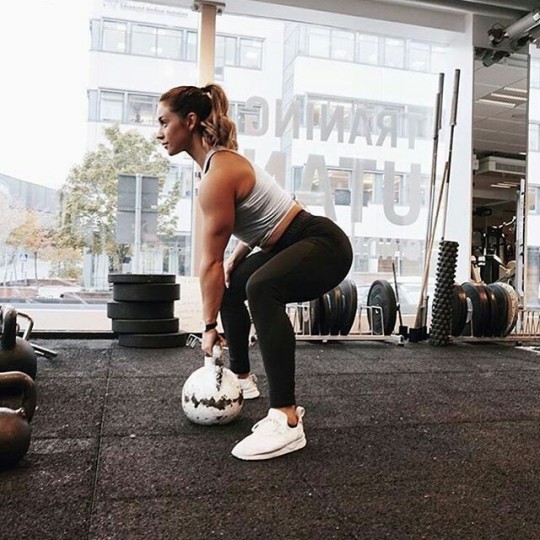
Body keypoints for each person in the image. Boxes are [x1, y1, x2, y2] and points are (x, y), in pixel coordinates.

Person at [156, 84, 353, 460]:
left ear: (190, 121)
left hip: (323, 244)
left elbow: (208, 261)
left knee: (262, 287)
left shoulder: (219, 173)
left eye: (165, 122)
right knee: (237, 283)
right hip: (293, 242)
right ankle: (242, 379)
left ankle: (286, 419)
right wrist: (238, 257)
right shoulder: (219, 165)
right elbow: (266, 219)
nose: (159, 132)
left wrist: (209, 326)